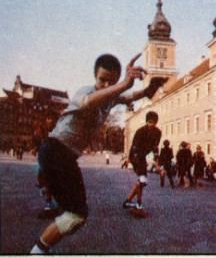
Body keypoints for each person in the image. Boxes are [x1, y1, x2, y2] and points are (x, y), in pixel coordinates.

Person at [30, 53, 167, 254]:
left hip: (65, 157)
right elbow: (88, 102)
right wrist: (121, 84)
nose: (105, 86)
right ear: (95, 77)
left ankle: (40, 245)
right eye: (102, 80)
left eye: (110, 82)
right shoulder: (86, 91)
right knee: (75, 215)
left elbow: (129, 96)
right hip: (55, 151)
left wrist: (149, 90)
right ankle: (37, 251)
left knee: (77, 216)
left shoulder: (111, 99)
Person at [123, 111, 161, 217]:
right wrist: (133, 161)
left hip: (143, 155)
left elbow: (155, 146)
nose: (151, 124)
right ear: (146, 121)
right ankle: (139, 205)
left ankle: (128, 201)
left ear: (156, 122)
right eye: (149, 122)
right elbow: (134, 146)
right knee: (142, 180)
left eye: (154, 122)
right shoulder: (140, 131)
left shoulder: (158, 132)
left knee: (142, 182)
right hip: (136, 155)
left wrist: (157, 161)